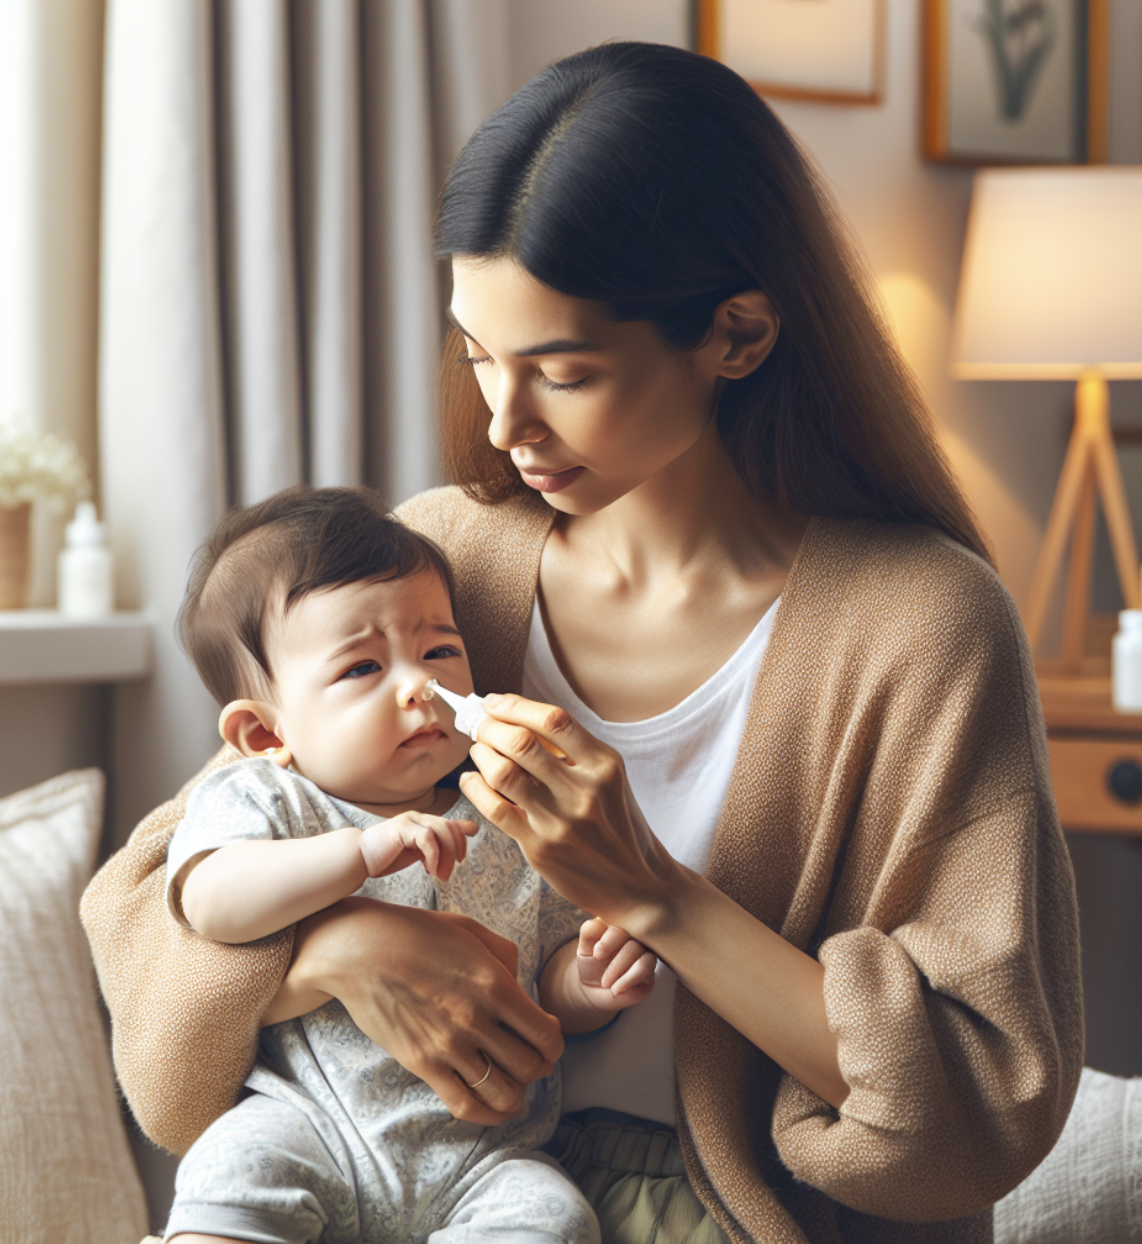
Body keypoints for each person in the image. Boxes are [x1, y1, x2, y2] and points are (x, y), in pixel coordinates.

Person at [81, 42, 1083, 1244]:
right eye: (477, 356)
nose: (503, 424)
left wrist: (647, 888)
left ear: (738, 334)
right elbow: (155, 898)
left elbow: (976, 1098)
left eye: (562, 371)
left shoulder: (919, 624)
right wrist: (353, 941)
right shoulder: (443, 567)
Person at [160, 486, 657, 1244]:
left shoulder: (509, 812)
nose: (419, 689)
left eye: (439, 651)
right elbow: (211, 900)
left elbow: (539, 983)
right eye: (362, 668)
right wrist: (354, 856)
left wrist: (585, 985)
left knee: (555, 1218)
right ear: (266, 734)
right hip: (306, 1123)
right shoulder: (266, 799)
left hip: (481, 1154)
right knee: (230, 1171)